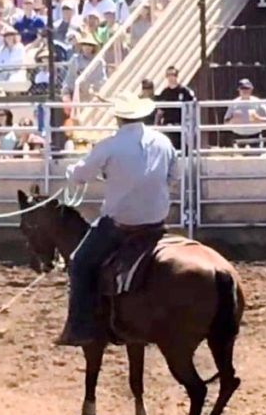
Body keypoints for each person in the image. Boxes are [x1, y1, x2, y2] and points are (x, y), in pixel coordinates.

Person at [56, 93, 177, 346]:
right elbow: (173, 177)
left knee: (79, 262)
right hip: (156, 222)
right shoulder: (164, 142)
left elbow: (81, 175)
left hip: (122, 224)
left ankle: (80, 327)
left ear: (118, 118)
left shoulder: (109, 146)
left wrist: (71, 172)